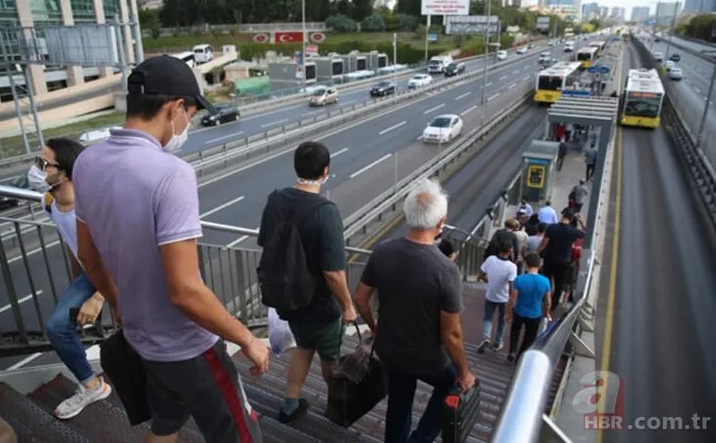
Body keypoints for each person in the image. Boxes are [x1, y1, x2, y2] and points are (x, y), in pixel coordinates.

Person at [73, 55, 268, 442]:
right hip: (188, 347)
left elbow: (89, 256)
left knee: (165, 424)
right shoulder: (171, 173)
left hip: (142, 341)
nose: (187, 125)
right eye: (191, 115)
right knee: (243, 435)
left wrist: (119, 303)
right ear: (175, 107)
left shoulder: (87, 161)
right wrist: (246, 338)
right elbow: (184, 290)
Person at [354, 178, 476, 442]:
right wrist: (465, 372)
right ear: (441, 222)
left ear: (407, 214)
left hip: (390, 348)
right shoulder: (445, 270)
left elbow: (361, 299)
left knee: (400, 396)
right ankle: (420, 439)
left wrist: (375, 327)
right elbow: (451, 335)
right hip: (428, 358)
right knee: (451, 382)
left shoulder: (383, 251)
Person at [257, 141, 357, 424]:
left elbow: (266, 242)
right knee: (330, 357)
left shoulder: (275, 200)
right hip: (321, 305)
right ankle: (337, 407)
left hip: (289, 299)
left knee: (303, 347)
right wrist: (348, 306)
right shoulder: (326, 211)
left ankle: (290, 402)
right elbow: (333, 273)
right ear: (325, 171)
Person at [26, 138, 113, 420]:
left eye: (43, 164)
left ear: (64, 172)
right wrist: (79, 285)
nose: (36, 169)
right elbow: (72, 243)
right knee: (57, 327)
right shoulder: (49, 202)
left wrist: (98, 297)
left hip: (124, 270)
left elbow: (121, 252)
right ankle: (92, 386)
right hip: (93, 272)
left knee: (142, 330)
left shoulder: (93, 206)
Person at [505, 253, 552, 363]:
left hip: (519, 311)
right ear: (540, 265)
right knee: (529, 337)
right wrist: (546, 313)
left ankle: (512, 350)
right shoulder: (545, 281)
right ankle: (520, 357)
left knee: (515, 331)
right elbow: (548, 302)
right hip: (535, 314)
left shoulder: (519, 279)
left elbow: (512, 299)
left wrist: (508, 313)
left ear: (526, 264)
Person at [537, 210, 586, 312]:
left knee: (546, 279)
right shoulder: (573, 231)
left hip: (550, 258)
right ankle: (552, 307)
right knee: (559, 284)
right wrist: (581, 220)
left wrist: (537, 252)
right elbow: (586, 233)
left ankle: (544, 298)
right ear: (572, 219)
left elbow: (544, 242)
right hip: (564, 261)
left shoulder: (552, 227)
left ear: (562, 216)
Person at [477, 240, 517, 354]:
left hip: (490, 294)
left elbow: (481, 275)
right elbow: (511, 285)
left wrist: (489, 282)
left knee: (488, 317)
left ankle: (485, 337)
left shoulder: (490, 259)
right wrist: (512, 301)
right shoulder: (512, 267)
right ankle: (497, 343)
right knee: (502, 320)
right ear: (509, 251)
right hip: (504, 298)